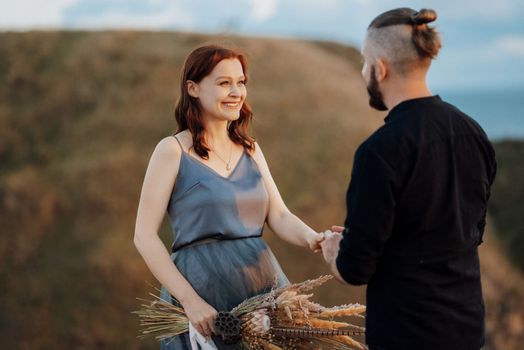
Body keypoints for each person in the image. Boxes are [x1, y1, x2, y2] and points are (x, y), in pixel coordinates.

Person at [320, 8, 497, 350]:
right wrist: (365, 236)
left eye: (364, 61)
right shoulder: (472, 132)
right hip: (467, 327)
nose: (363, 71)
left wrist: (335, 250)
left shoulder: (379, 152)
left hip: (407, 334)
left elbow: (353, 271)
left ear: (380, 68)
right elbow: (461, 231)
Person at [133, 44, 324, 349]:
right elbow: (144, 235)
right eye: (224, 83)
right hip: (203, 294)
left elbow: (279, 216)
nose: (236, 91)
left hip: (261, 289)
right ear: (193, 89)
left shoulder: (250, 149)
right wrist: (191, 302)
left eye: (241, 82)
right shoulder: (172, 150)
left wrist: (315, 238)